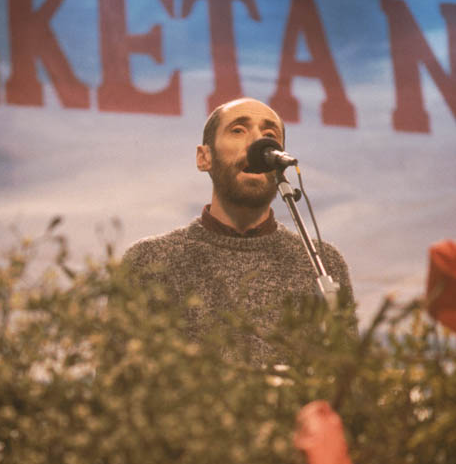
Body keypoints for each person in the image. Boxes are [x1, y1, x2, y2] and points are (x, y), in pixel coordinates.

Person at [121, 98, 355, 364]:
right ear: (204, 157)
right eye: (238, 130)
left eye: (269, 135)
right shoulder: (151, 260)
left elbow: (346, 376)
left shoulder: (322, 263)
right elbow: (118, 378)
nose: (257, 142)